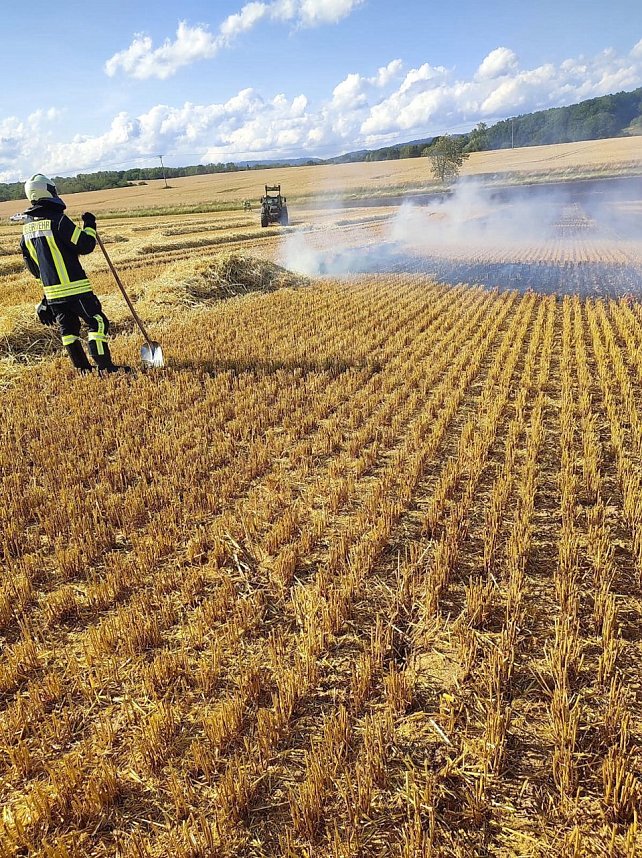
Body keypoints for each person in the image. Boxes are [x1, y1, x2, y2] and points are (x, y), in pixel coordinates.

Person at [20, 173, 130, 374]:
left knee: (68, 330)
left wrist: (45, 298)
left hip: (52, 294)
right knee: (97, 322)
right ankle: (105, 367)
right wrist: (89, 225)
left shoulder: (26, 229)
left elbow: (35, 269)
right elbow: (85, 245)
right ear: (48, 191)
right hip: (76, 288)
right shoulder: (58, 220)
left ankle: (82, 369)